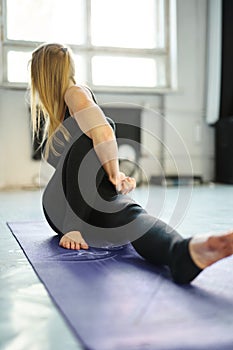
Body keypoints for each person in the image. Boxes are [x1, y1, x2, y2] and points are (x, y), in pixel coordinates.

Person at [30, 43, 233, 284]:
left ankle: (182, 252)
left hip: (76, 204)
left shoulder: (73, 97)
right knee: (94, 133)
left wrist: (112, 176)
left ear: (39, 76)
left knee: (131, 215)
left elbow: (91, 158)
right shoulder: (74, 94)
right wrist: (114, 175)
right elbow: (102, 135)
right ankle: (77, 224)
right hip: (68, 209)